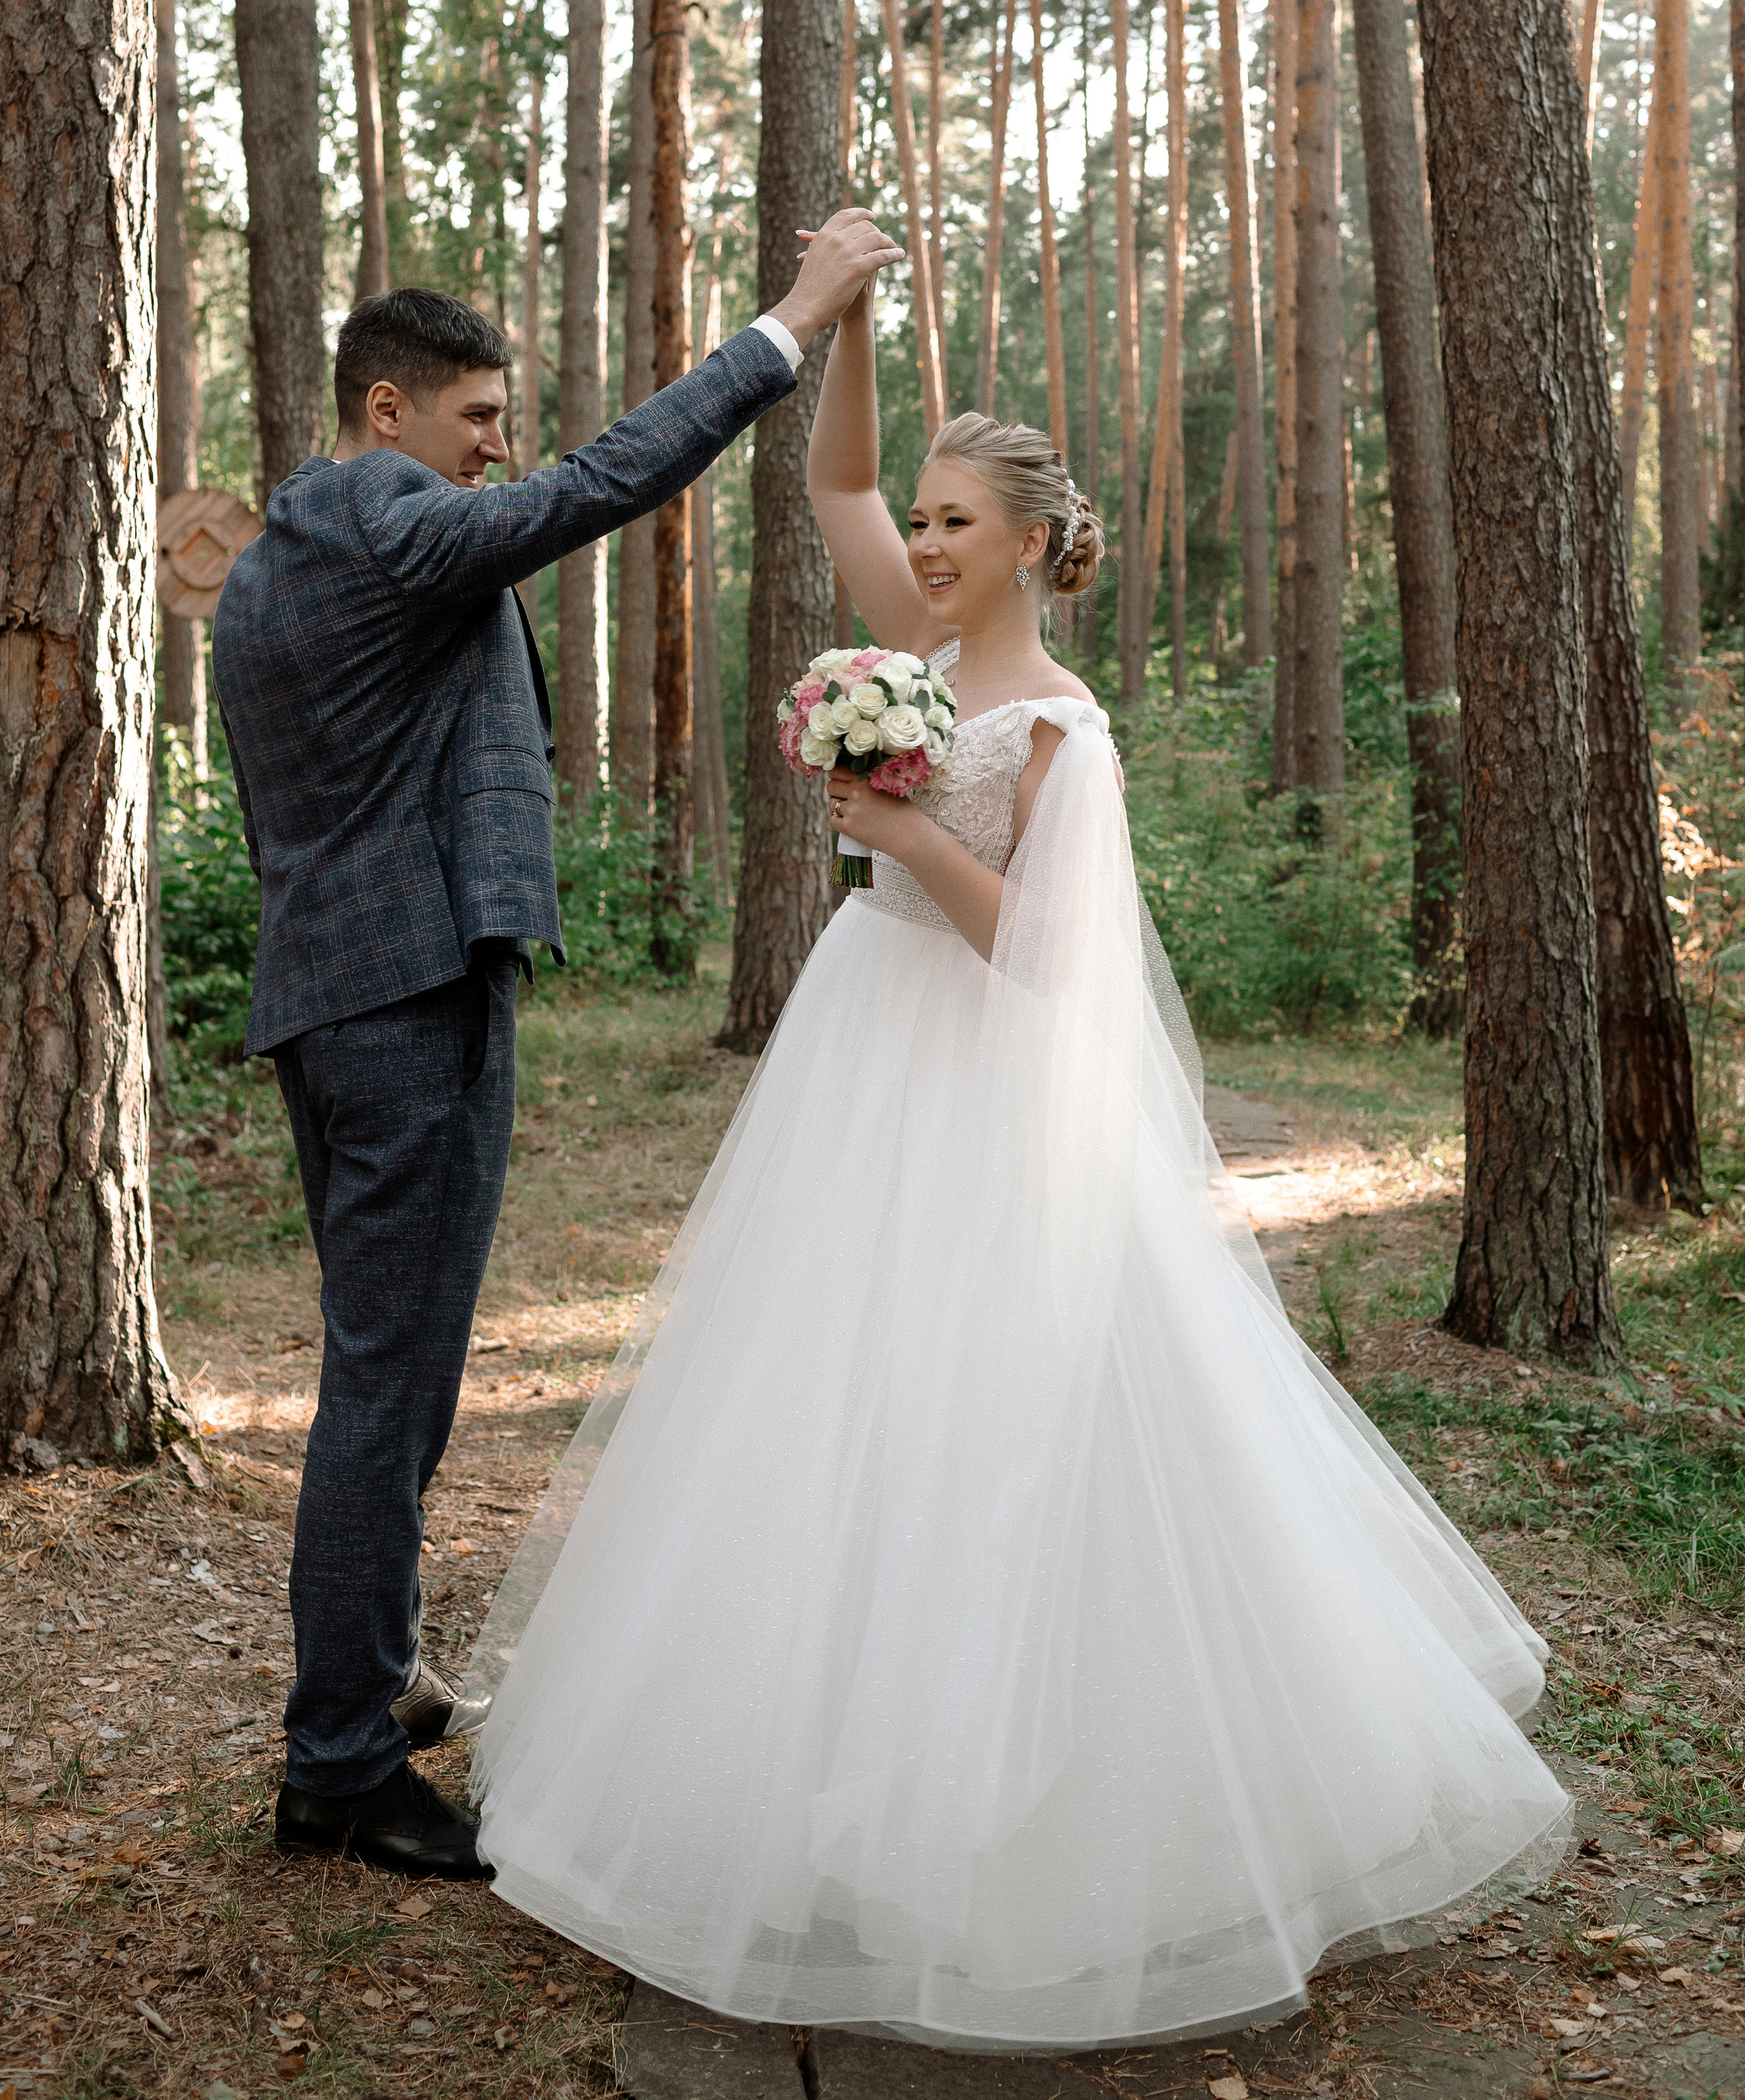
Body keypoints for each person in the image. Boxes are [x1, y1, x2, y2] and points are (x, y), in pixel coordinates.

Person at [461, 267, 1570, 2048]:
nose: (925, 539)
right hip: (863, 1054)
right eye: (927, 520)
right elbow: (829, 490)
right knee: (821, 1406)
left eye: (959, 521)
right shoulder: (902, 647)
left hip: (980, 1082)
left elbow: (1046, 957)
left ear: (1040, 545)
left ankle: (1017, 1842)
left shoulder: (1061, 729)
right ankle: (794, 1791)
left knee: (988, 1426)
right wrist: (854, 336)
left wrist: (896, 828)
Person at [210, 211, 901, 1882]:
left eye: (500, 423)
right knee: (388, 1388)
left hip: (332, 996)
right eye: (477, 420)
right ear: (389, 413)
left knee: (388, 1377)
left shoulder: (273, 558)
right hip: (405, 1003)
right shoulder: (385, 512)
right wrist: (789, 324)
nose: (498, 450)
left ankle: (363, 1689)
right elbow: (595, 489)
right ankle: (338, 1766)